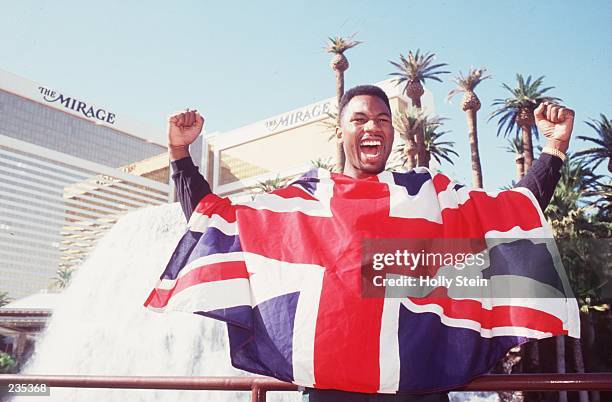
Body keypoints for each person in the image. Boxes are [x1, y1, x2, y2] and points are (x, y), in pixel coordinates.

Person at [165, 85, 574, 402]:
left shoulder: (428, 195)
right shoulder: (306, 201)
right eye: (359, 119)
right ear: (341, 131)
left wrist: (553, 148)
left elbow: (513, 212)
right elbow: (217, 220)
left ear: (392, 133)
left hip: (419, 390)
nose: (372, 126)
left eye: (382, 119)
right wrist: (180, 152)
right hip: (331, 393)